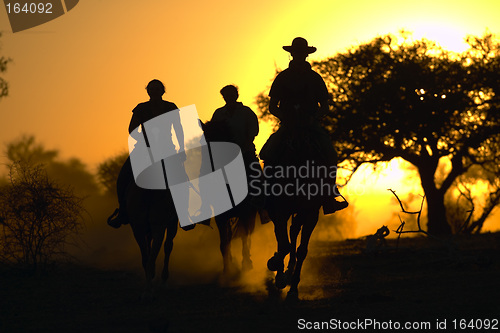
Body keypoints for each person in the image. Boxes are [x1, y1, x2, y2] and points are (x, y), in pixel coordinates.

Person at [261, 37, 348, 214]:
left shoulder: (315, 78)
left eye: (302, 52)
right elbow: (272, 106)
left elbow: (325, 106)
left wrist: (313, 117)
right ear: (292, 54)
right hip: (288, 125)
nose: (299, 55)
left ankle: (329, 195)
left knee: (330, 153)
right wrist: (285, 118)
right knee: (268, 153)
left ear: (306, 55)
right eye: (297, 52)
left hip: (310, 125)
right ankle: (264, 195)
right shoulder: (282, 77)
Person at [108, 79, 186, 228]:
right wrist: (142, 139)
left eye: (157, 89)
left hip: (167, 150)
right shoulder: (140, 108)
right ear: (148, 91)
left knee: (183, 178)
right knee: (123, 177)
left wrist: (181, 149)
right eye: (152, 89)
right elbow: (132, 129)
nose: (155, 91)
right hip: (144, 150)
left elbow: (179, 129)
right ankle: (123, 211)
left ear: (163, 91)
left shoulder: (171, 107)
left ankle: (184, 213)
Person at [210, 85, 271, 223]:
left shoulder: (246, 112)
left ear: (236, 95)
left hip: (245, 153)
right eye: (226, 95)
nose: (229, 97)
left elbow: (253, 132)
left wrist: (242, 146)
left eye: (232, 94)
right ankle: (205, 210)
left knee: (258, 179)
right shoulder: (218, 113)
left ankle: (263, 209)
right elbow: (213, 133)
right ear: (223, 97)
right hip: (224, 156)